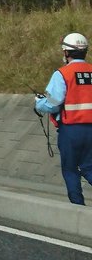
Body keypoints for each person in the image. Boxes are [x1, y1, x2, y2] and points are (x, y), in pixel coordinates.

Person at [34, 32, 92, 205]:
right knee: (89, 167)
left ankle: (78, 207)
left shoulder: (62, 74)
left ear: (66, 53)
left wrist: (39, 102)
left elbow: (52, 104)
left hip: (71, 130)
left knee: (71, 169)